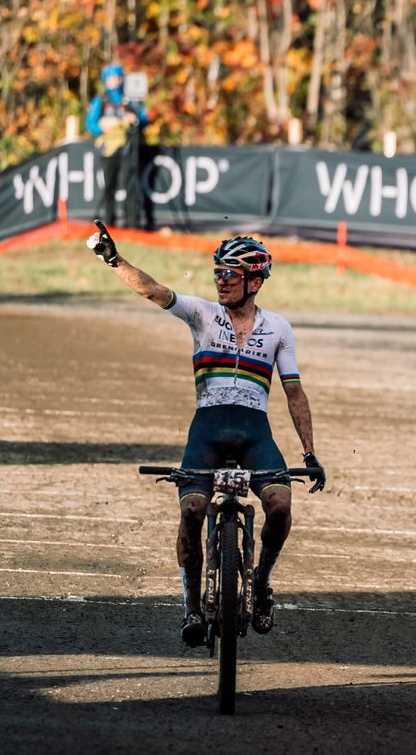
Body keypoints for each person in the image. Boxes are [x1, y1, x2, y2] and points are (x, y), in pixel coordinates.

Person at [86, 224, 326, 646]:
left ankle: (263, 584)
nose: (221, 281)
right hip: (207, 431)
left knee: (281, 505)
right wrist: (114, 259)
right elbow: (154, 291)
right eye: (217, 273)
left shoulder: (279, 329)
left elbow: (294, 392)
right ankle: (191, 606)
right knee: (192, 510)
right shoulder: (202, 314)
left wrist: (309, 454)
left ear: (254, 280)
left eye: (229, 274)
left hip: (255, 433)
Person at [86, 63, 149, 228]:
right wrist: (103, 128)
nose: (114, 82)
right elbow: (90, 124)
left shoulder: (130, 101)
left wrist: (134, 118)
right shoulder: (101, 101)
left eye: (116, 78)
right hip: (108, 150)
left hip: (128, 149)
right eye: (110, 78)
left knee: (131, 186)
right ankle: (109, 225)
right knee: (109, 187)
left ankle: (133, 225)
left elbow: (144, 118)